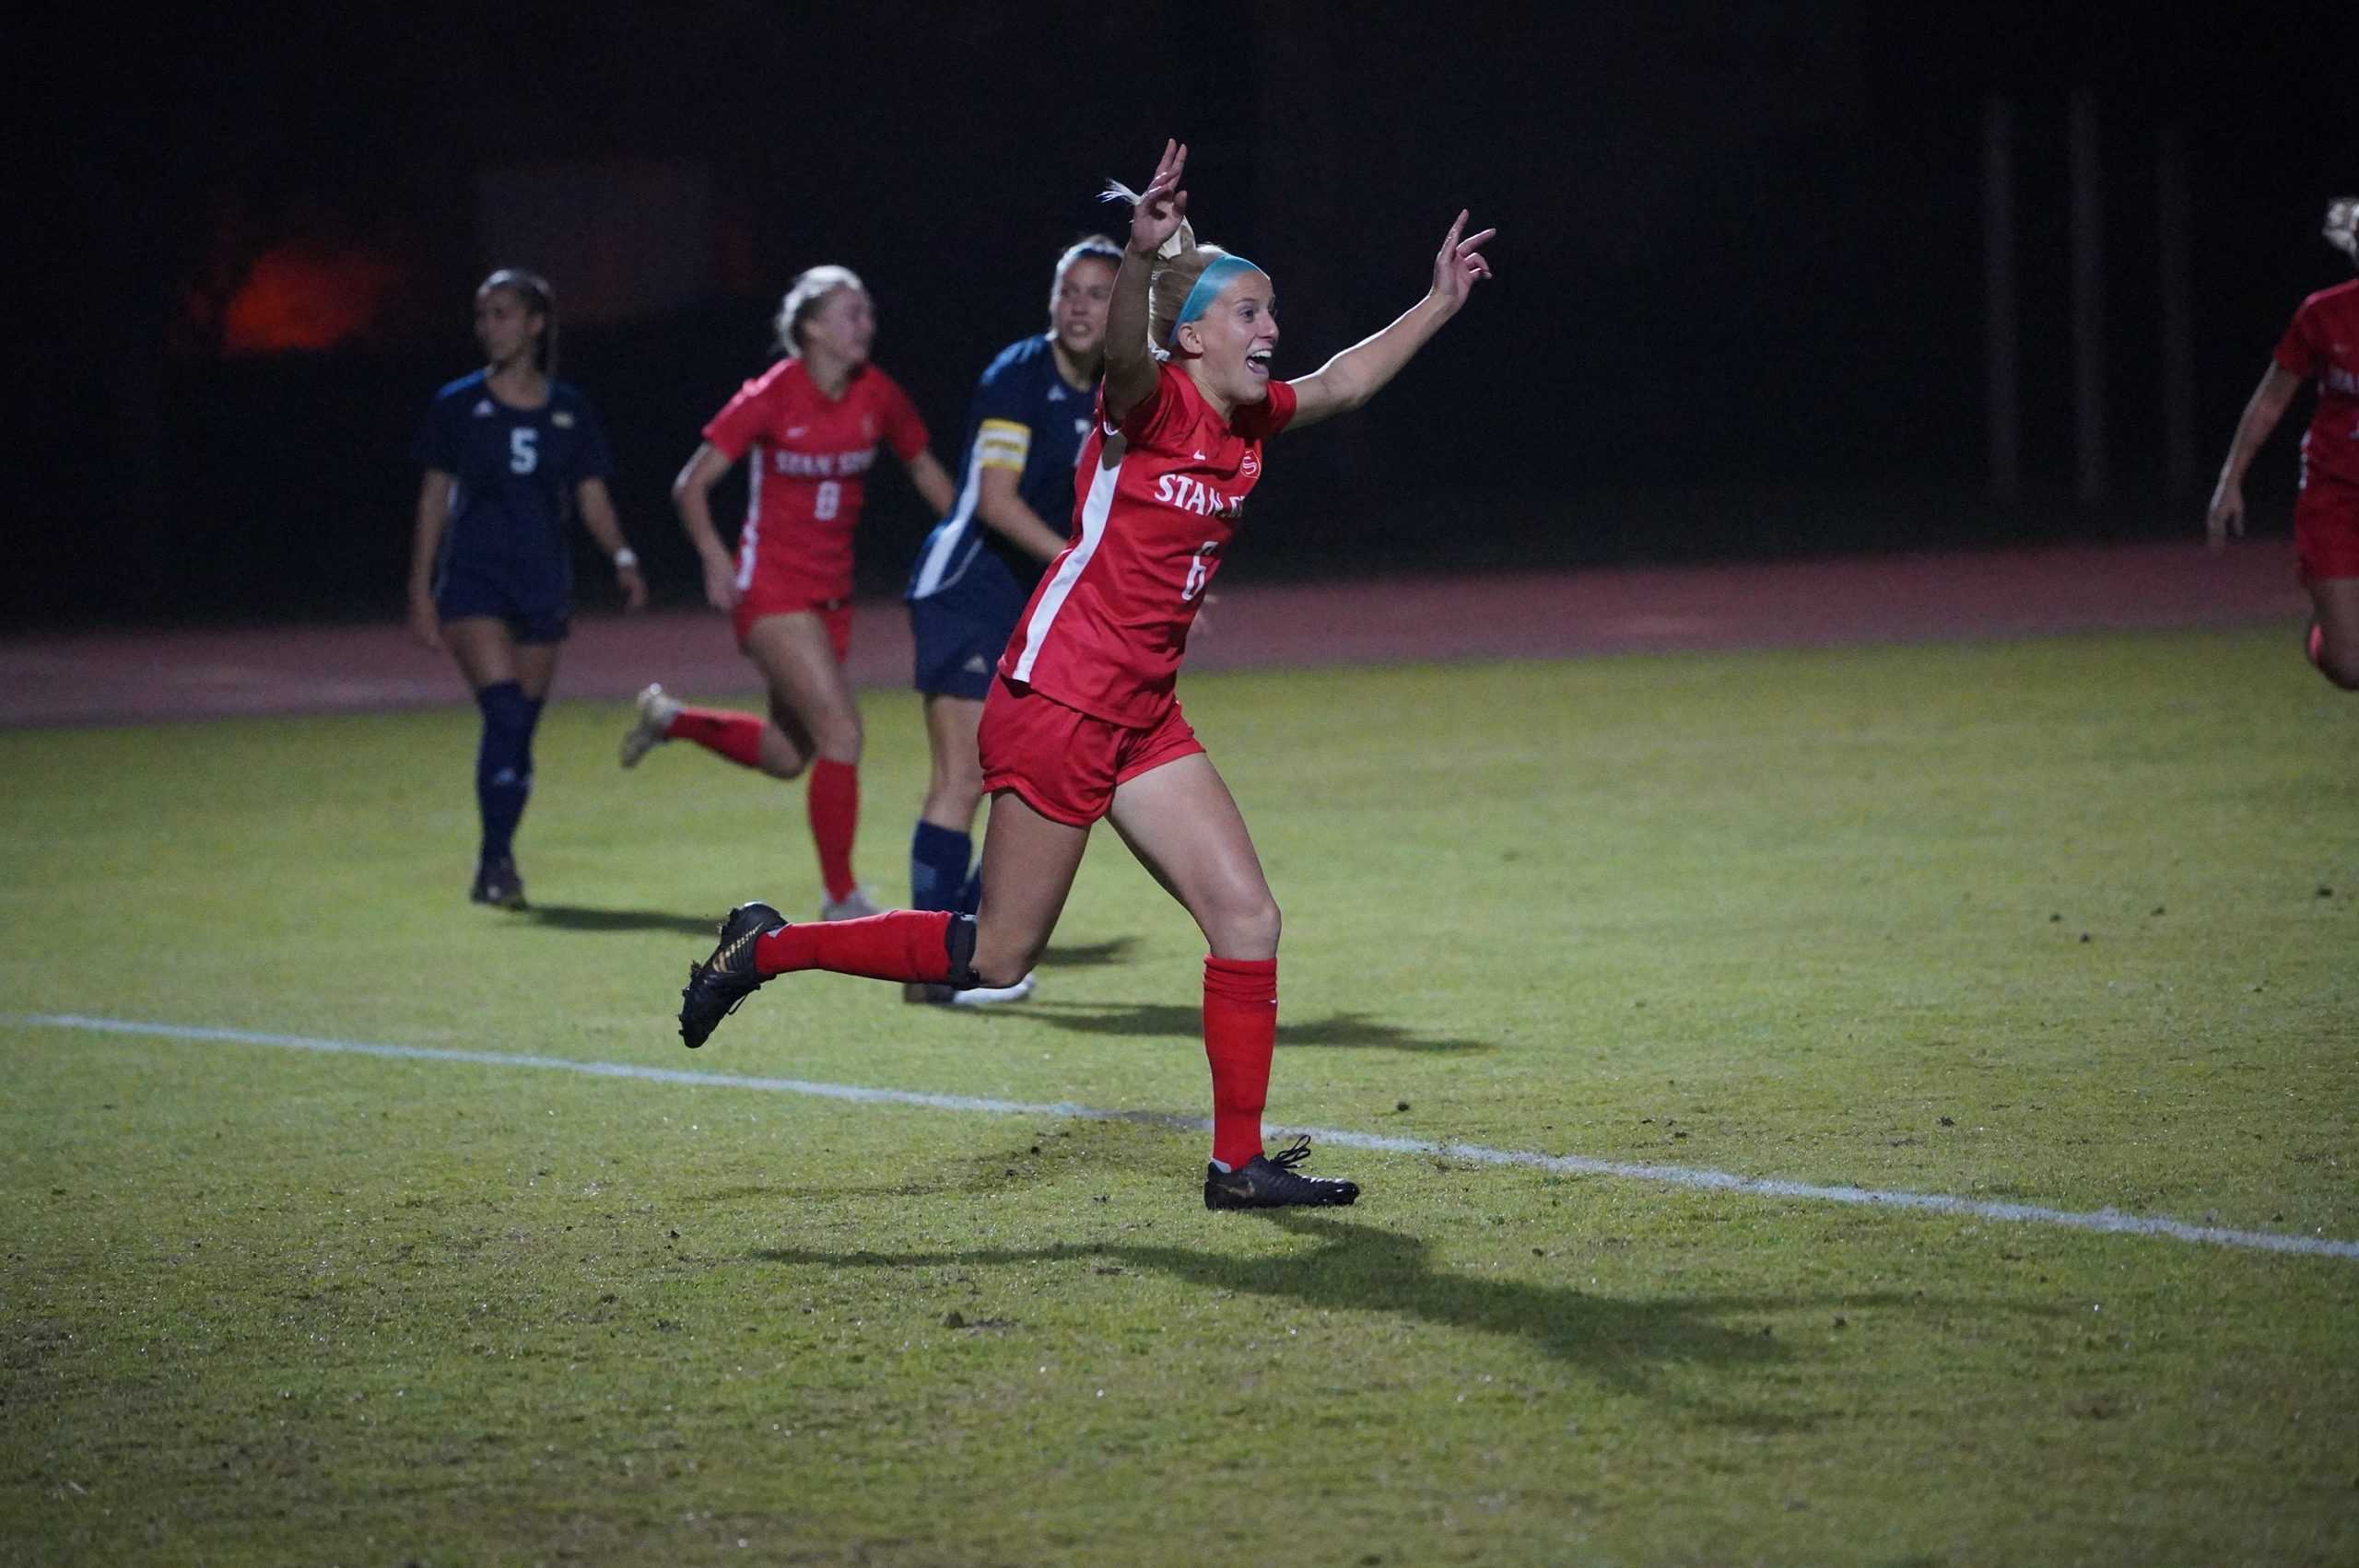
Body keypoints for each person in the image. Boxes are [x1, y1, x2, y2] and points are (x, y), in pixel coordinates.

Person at [675, 141, 1495, 1210]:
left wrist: (1436, 301)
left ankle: (1235, 1164)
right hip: (1059, 699)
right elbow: (1122, 360)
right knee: (995, 955)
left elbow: (1342, 381)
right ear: (1191, 333)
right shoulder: (1145, 404)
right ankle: (766, 947)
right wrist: (1136, 257)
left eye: (1271, 310)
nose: (1271, 330)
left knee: (1247, 921)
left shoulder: (1248, 419)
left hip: (1141, 714)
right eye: (1248, 311)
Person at [618, 267, 957, 919]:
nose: (866, 325)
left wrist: (968, 538)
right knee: (842, 734)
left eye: (868, 313)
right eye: (850, 313)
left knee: (784, 755)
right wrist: (717, 560)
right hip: (770, 590)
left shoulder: (877, 395)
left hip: (831, 596)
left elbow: (925, 470)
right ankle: (840, 899)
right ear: (810, 328)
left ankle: (672, 719)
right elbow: (690, 485)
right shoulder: (772, 396)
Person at [899, 235, 1124, 1005]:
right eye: (1070, 290)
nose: (1080, 306)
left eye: (1099, 293)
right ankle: (930, 968)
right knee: (961, 778)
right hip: (964, 591)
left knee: (1030, 780)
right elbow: (995, 503)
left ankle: (954, 946)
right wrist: (1085, 565)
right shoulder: (1016, 376)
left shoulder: (1117, 393)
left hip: (1032, 602)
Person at [408, 268, 646, 907]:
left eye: (504, 314)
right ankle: (496, 864)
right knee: (507, 713)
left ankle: (496, 858)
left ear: (536, 324)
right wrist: (420, 586)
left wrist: (622, 555)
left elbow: (590, 495)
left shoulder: (569, 408)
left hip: (542, 581)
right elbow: (434, 498)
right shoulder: (457, 405)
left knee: (518, 732)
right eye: (484, 315)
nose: (492, 327)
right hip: (474, 581)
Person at [2207, 196, 2359, 690]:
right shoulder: (2323, 314)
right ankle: (2325, 636)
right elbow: (2271, 401)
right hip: (2334, 490)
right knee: (2349, 668)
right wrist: (2231, 480)